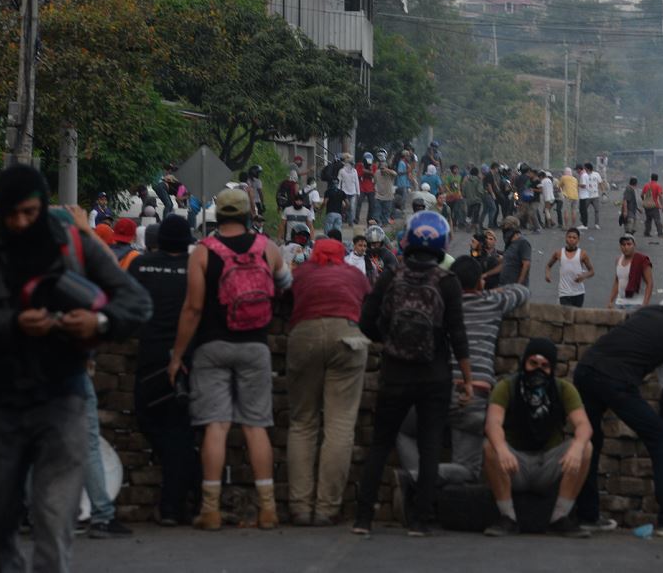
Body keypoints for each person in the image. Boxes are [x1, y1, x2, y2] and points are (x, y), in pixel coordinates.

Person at [0, 165, 152, 571]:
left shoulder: (73, 246)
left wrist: (98, 323)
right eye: (11, 214)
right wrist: (11, 323)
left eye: (29, 213)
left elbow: (136, 303)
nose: (20, 223)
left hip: (61, 396)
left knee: (54, 519)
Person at [167, 187, 292, 531]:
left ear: (218, 216)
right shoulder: (267, 247)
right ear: (248, 215)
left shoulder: (203, 252)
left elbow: (192, 308)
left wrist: (178, 355)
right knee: (255, 426)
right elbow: (285, 282)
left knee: (216, 426)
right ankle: (267, 509)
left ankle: (210, 509)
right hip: (256, 345)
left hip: (212, 346)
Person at [352, 211, 472, 537]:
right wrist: (468, 377)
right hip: (434, 375)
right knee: (431, 445)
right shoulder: (447, 283)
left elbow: (365, 321)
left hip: (394, 372)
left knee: (380, 444)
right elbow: (457, 334)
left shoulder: (391, 276)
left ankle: (363, 518)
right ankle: (420, 519)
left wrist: (388, 340)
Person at [575, 283, 663, 538]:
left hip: (586, 369)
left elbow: (657, 364)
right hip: (616, 381)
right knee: (662, 439)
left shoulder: (648, 313)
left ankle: (586, 515)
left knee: (591, 441)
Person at [396, 258, 529, 493]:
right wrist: (493, 289)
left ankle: (416, 482)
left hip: (437, 391)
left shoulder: (441, 307)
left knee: (403, 430)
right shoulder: (492, 302)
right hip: (475, 397)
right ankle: (418, 479)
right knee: (468, 469)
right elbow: (522, 291)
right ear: (480, 282)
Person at [286, 238, 372, 526]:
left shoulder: (302, 274)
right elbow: (368, 305)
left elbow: (284, 299)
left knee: (302, 422)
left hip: (305, 335)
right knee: (339, 425)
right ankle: (326, 508)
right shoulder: (353, 274)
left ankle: (299, 506)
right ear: (341, 256)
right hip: (347, 336)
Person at [483, 338, 594, 539]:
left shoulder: (563, 389)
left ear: (552, 369)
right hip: (515, 463)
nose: (538, 370)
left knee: (586, 448)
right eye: (533, 363)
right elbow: (493, 423)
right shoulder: (507, 386)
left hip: (548, 463)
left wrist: (577, 446)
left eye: (545, 366)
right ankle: (507, 518)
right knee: (490, 447)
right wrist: (501, 448)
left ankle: (560, 517)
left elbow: (584, 425)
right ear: (524, 362)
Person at [129, 214, 200, 527]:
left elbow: (126, 305)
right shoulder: (195, 269)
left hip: (150, 356)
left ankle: (175, 504)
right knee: (179, 431)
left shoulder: (140, 266)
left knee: (149, 420)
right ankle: (189, 493)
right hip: (186, 358)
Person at [545, 228, 594, 307]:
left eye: (574, 238)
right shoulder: (559, 253)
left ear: (578, 240)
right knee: (567, 316)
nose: (571, 239)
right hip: (564, 292)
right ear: (565, 238)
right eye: (569, 237)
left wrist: (583, 276)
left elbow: (592, 271)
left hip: (578, 292)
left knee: (576, 317)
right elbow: (548, 265)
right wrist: (547, 274)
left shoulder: (582, 254)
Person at [608, 234, 652, 310]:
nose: (626, 247)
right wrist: (611, 300)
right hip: (620, 302)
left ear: (634, 245)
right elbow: (617, 281)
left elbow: (649, 283)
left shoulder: (642, 260)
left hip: (636, 304)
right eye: (623, 244)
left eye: (629, 244)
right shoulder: (618, 260)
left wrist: (645, 303)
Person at [499, 216, 532, 288]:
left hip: (516, 286)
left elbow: (526, 264)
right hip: (506, 285)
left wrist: (518, 284)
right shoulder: (510, 244)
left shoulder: (523, 243)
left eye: (506, 229)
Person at [373, 152, 397, 227]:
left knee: (386, 214)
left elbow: (395, 174)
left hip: (388, 196)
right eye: (381, 168)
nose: (382, 169)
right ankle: (378, 225)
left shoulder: (390, 174)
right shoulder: (377, 172)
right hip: (378, 196)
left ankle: (385, 226)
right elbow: (374, 181)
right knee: (377, 213)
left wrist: (387, 170)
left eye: (384, 168)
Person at [514, 166, 541, 233]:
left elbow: (541, 190)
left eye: (530, 173)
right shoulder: (530, 180)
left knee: (532, 213)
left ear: (534, 174)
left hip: (535, 200)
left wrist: (533, 189)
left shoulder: (538, 181)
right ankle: (535, 227)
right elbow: (526, 186)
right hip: (529, 199)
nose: (529, 174)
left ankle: (537, 228)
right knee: (529, 213)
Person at [338, 156, 360, 227]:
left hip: (353, 192)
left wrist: (358, 192)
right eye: (350, 163)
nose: (352, 165)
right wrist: (338, 191)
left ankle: (351, 222)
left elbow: (357, 182)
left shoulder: (354, 171)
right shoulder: (342, 171)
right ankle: (341, 221)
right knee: (343, 207)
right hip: (344, 193)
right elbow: (339, 182)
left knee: (352, 208)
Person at [355, 153, 377, 225]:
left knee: (372, 205)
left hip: (371, 188)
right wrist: (368, 172)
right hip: (362, 188)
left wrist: (368, 170)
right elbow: (358, 174)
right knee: (359, 203)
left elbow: (375, 175)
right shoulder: (359, 165)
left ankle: (369, 219)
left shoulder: (373, 166)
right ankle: (356, 218)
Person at [640, 173, 663, 239]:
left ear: (651, 178)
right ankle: (660, 233)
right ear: (657, 179)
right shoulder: (658, 186)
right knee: (657, 220)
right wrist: (662, 206)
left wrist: (644, 200)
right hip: (654, 205)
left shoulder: (646, 185)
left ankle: (647, 232)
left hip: (647, 206)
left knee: (648, 220)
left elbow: (642, 195)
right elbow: (660, 196)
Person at [463, 166, 485, 230]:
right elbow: (480, 190)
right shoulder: (478, 180)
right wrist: (482, 194)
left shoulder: (466, 181)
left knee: (469, 213)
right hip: (477, 200)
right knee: (476, 213)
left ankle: (468, 225)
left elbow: (464, 191)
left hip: (469, 200)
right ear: (477, 173)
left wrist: (465, 196)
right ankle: (476, 226)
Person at [585, 162, 604, 229]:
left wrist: (603, 192)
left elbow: (600, 183)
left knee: (596, 210)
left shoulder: (596, 174)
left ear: (588, 168)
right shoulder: (584, 175)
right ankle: (585, 224)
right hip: (586, 196)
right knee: (584, 210)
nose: (584, 169)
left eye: (585, 168)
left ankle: (596, 224)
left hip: (595, 196)